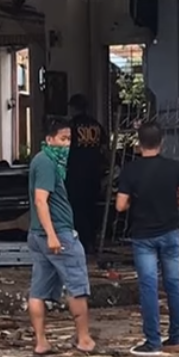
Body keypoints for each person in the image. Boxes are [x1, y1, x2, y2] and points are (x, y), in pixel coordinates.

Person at [115, 122, 179, 356]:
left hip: (143, 236)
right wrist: (172, 202)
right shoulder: (174, 167)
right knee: (173, 285)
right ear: (162, 143)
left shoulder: (131, 170)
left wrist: (135, 203)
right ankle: (176, 336)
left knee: (149, 287)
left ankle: (152, 341)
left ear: (138, 144)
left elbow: (120, 206)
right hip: (170, 233)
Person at [27, 118, 97, 356]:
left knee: (39, 290)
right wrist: (53, 235)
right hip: (57, 234)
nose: (67, 145)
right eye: (62, 139)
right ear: (49, 140)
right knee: (77, 285)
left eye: (69, 140)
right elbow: (40, 200)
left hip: (38, 235)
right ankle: (84, 339)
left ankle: (41, 342)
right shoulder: (47, 163)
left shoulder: (43, 161)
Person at [65, 94, 110, 254]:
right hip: (94, 174)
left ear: (73, 108)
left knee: (77, 209)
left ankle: (82, 242)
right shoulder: (97, 126)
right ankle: (92, 240)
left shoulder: (71, 127)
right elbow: (105, 149)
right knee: (91, 207)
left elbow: (64, 150)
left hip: (75, 174)